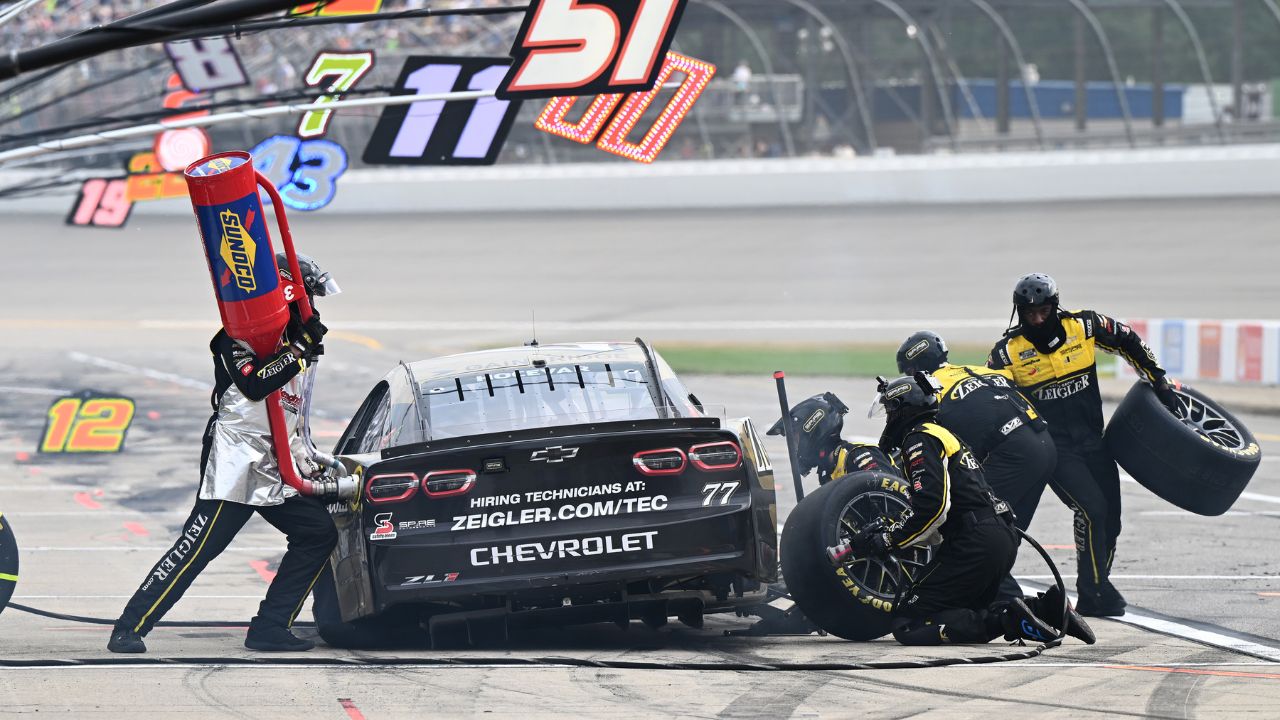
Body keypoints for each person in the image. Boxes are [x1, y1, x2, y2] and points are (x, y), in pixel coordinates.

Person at [108, 254, 348, 654]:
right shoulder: (237, 335)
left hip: (274, 464)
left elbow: (288, 411)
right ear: (287, 293)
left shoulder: (293, 341)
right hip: (236, 458)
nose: (313, 308)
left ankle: (271, 627)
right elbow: (255, 386)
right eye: (307, 297)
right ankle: (129, 628)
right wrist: (301, 348)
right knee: (199, 546)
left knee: (317, 533)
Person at [836, 373, 1092, 646]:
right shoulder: (944, 435)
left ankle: (1012, 621)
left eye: (890, 410)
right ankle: (1048, 608)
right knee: (966, 612)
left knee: (908, 623)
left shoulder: (920, 439)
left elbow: (932, 506)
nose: (888, 418)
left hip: (976, 541)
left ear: (904, 408)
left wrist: (886, 540)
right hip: (997, 536)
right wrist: (897, 532)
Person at [988, 273, 1177, 617]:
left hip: (1094, 440)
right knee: (1091, 510)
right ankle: (1094, 589)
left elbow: (1128, 340)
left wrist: (1159, 380)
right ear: (1019, 313)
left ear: (1054, 307)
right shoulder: (1006, 352)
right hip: (1053, 449)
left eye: (1043, 311)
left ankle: (1093, 594)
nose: (1038, 319)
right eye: (1030, 314)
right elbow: (995, 403)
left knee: (1112, 520)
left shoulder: (1085, 325)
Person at [896, 330, 1056, 601]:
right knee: (1005, 532)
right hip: (1045, 446)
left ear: (915, 368)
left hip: (1014, 455)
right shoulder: (978, 368)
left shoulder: (931, 387)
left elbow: (932, 443)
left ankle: (1012, 605)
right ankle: (992, 600)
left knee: (975, 528)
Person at [767, 392, 895, 485]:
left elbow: (889, 493)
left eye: (795, 437)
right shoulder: (827, 471)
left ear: (812, 429)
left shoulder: (855, 454)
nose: (793, 445)